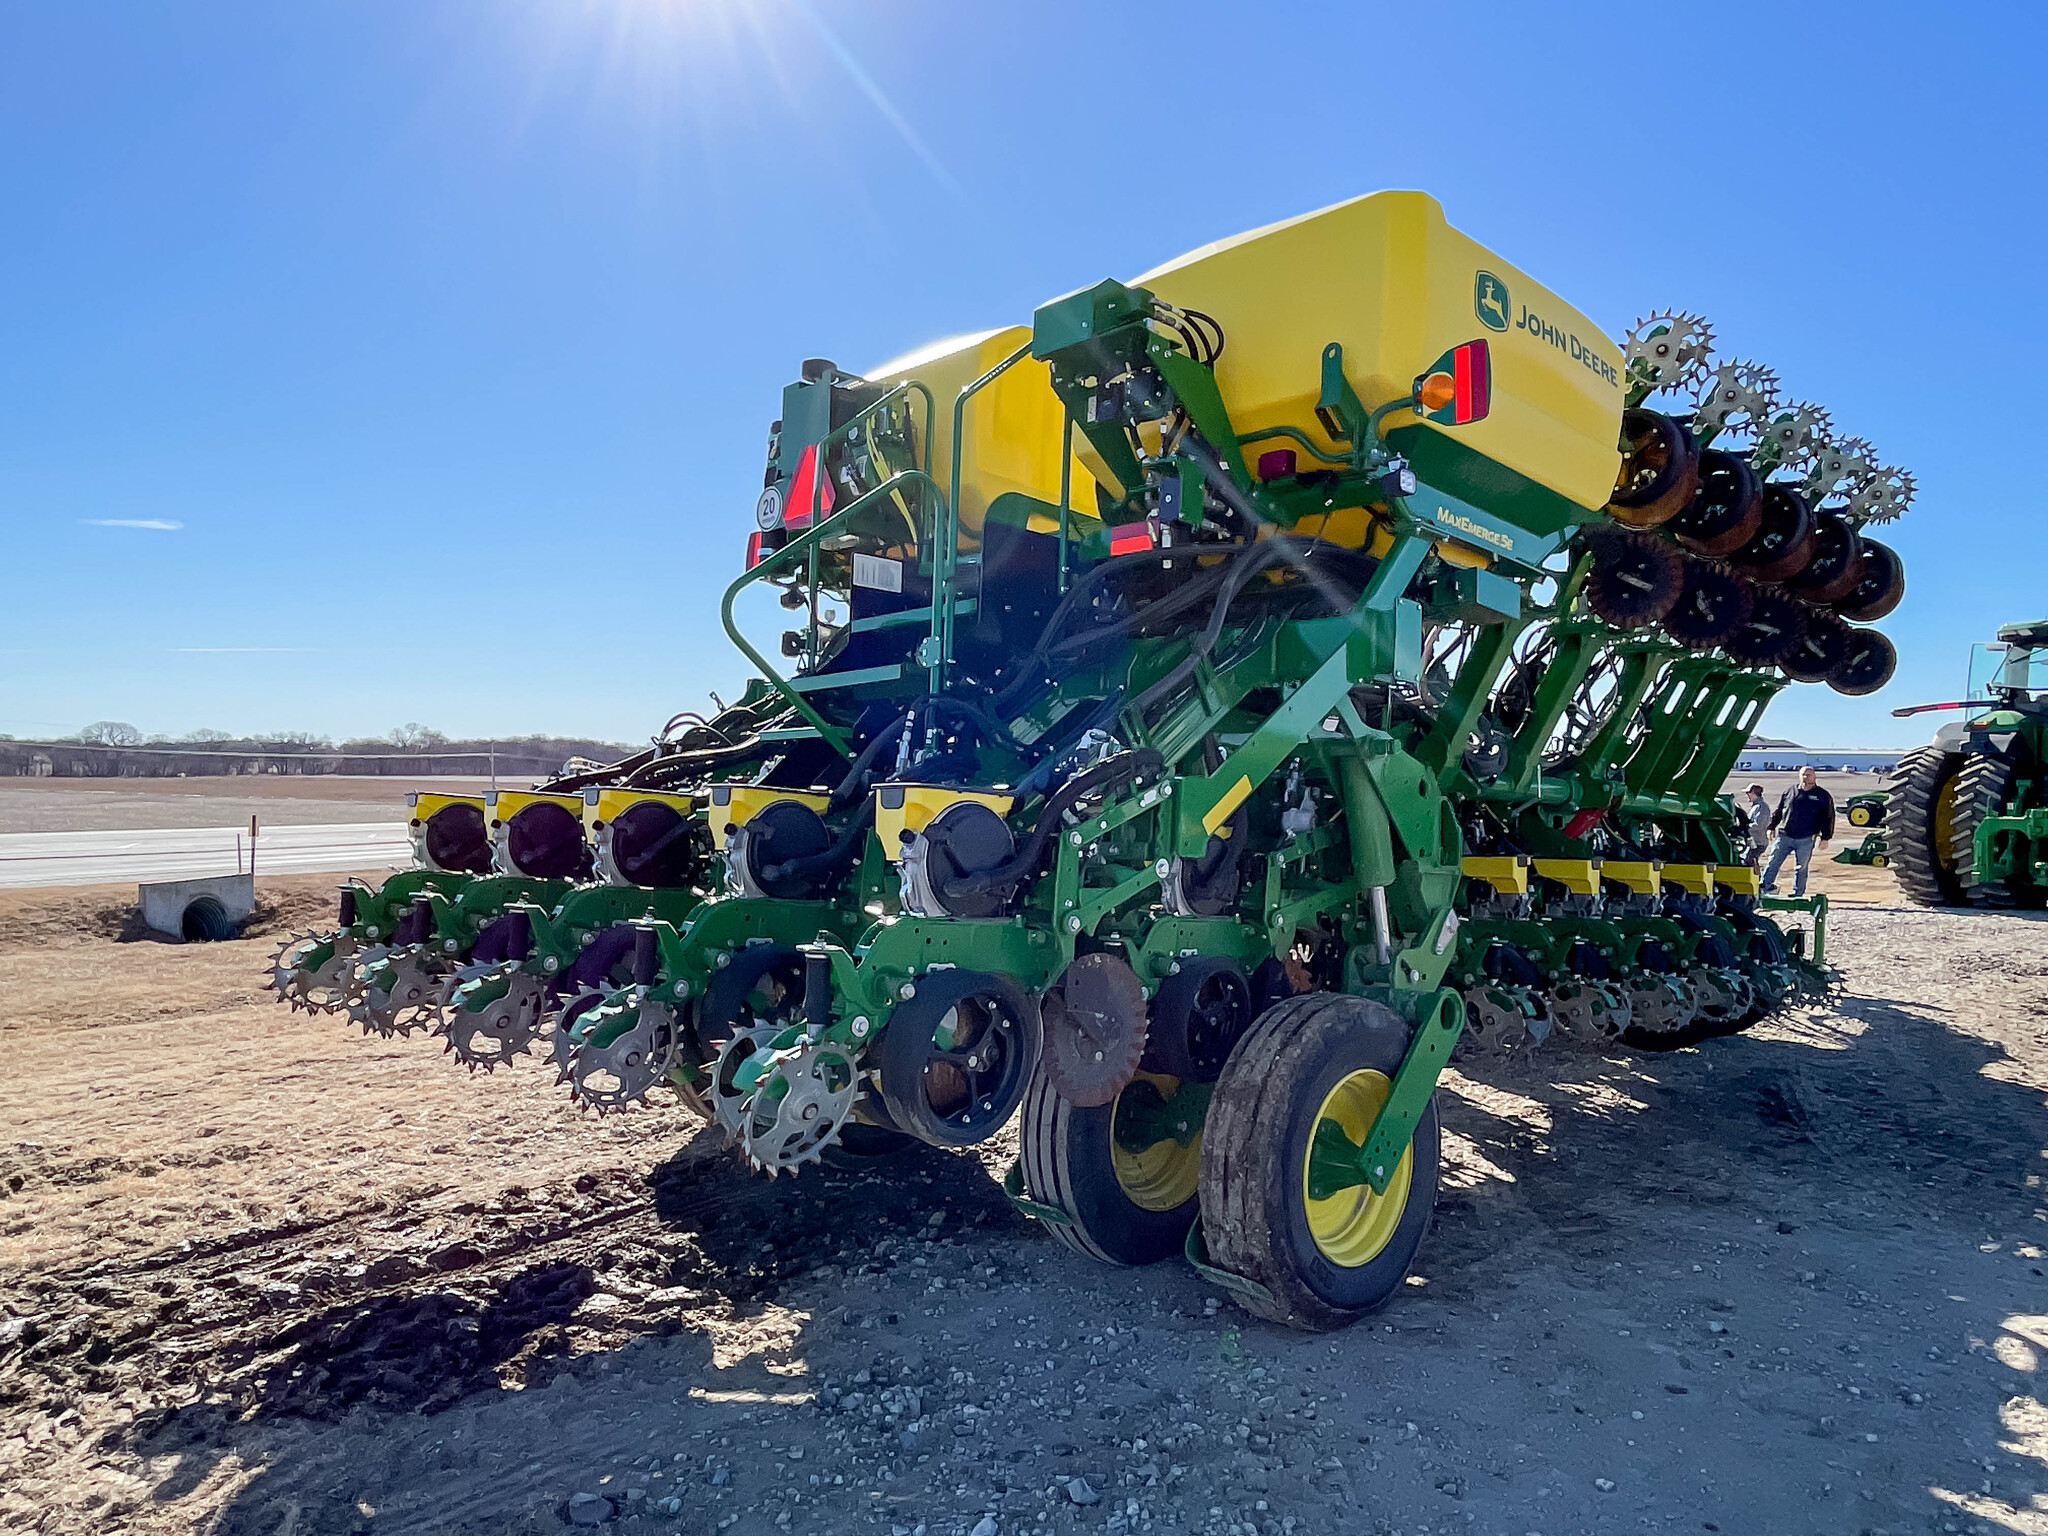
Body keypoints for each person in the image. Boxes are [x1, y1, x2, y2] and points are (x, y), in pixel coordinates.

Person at [1760, 766, 1834, 896]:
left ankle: (1797, 894)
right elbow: (1779, 810)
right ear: (1799, 776)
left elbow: (1828, 817)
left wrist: (1825, 837)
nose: (1806, 777)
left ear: (1815, 776)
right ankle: (1764, 887)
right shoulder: (1790, 791)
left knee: (1801, 868)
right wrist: (1771, 827)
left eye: (1809, 774)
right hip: (1785, 836)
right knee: (1773, 862)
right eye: (1804, 774)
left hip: (1805, 838)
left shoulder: (1822, 796)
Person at [1742, 782, 1771, 866]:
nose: (1747, 794)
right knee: (1750, 864)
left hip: (1758, 843)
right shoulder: (1756, 807)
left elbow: (1758, 825)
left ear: (1754, 793)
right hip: (1753, 842)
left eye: (1748, 792)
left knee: (1747, 864)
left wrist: (1744, 829)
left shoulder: (1762, 807)